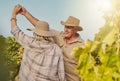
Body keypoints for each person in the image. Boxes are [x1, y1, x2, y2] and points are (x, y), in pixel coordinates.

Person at [17, 4, 84, 81]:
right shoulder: (59, 35)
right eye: (65, 26)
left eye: (69, 27)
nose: (65, 29)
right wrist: (25, 13)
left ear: (76, 29)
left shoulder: (82, 47)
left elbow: (86, 70)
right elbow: (41, 27)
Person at [11, 5, 66, 81]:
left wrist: (13, 15)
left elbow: (15, 31)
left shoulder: (29, 42)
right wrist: (25, 13)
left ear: (35, 33)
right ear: (48, 34)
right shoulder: (56, 49)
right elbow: (61, 75)